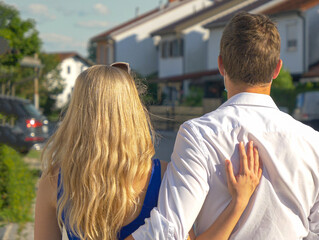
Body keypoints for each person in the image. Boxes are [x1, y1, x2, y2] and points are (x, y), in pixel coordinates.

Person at [130, 12, 319, 240]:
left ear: (221, 65)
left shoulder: (198, 135)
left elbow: (170, 231)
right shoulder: (314, 143)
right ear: (277, 69)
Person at [34, 63, 262, 240]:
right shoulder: (163, 177)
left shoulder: (54, 182)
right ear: (132, 112)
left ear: (77, 113)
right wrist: (238, 203)